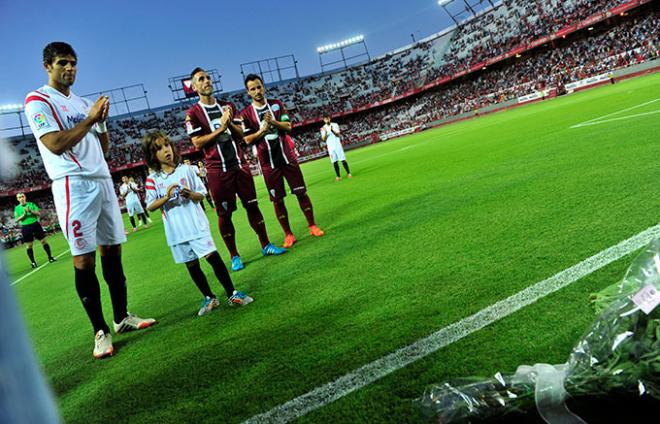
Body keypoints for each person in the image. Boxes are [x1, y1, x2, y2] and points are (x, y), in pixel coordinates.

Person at [23, 42, 155, 359]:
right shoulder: (38, 100)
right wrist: (90, 119)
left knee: (113, 251)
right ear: (47, 66)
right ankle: (100, 331)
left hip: (102, 179)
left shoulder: (82, 103)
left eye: (74, 63)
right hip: (73, 184)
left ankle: (121, 317)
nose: (70, 68)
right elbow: (55, 144)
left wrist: (102, 122)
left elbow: (104, 148)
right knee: (84, 260)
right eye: (63, 63)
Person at [186, 68, 285, 271]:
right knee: (225, 215)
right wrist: (220, 129)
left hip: (239, 165)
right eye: (200, 79)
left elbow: (241, 134)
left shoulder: (227, 106)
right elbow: (197, 143)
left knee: (252, 206)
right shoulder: (193, 114)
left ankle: (265, 245)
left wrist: (228, 122)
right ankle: (234, 256)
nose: (206, 81)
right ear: (194, 87)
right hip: (216, 170)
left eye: (207, 78)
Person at [143, 131, 253, 314]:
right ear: (152, 155)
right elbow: (150, 206)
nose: (166, 150)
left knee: (212, 257)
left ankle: (232, 293)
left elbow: (201, 194)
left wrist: (188, 193)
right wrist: (166, 197)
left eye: (167, 145)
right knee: (191, 264)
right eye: (159, 149)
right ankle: (209, 298)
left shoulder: (187, 170)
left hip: (196, 224)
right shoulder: (152, 180)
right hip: (176, 231)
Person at [241, 74, 324, 249]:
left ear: (263, 86)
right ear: (248, 92)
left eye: (259, 87)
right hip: (268, 163)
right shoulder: (246, 114)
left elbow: (288, 127)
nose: (257, 91)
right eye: (253, 89)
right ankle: (288, 234)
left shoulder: (277, 104)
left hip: (287, 158)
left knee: (301, 192)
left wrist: (274, 122)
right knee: (277, 200)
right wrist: (263, 129)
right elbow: (247, 139)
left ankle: (312, 225)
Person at [14, 193, 56, 268]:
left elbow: (38, 213)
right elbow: (17, 220)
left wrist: (30, 211)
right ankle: (33, 262)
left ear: (25, 197)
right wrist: (24, 214)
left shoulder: (31, 204)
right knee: (29, 245)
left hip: (35, 224)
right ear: (17, 199)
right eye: (19, 197)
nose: (21, 198)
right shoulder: (17, 208)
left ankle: (50, 257)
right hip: (26, 226)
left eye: (22, 196)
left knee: (43, 241)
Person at [320, 115, 352, 181]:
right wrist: (326, 133)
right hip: (330, 147)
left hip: (337, 145)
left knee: (343, 159)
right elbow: (323, 139)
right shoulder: (323, 128)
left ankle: (348, 173)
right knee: (334, 161)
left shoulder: (335, 124)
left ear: (329, 118)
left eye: (327, 118)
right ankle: (338, 176)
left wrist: (332, 130)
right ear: (324, 120)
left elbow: (338, 134)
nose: (327, 120)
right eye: (325, 119)